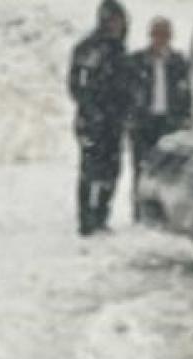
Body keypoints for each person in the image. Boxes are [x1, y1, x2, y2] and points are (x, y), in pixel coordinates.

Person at [68, 0, 133, 236]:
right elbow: (76, 85)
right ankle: (86, 220)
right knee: (90, 170)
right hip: (92, 120)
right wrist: (92, 108)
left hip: (115, 121)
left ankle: (101, 216)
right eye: (113, 20)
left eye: (120, 21)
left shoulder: (121, 51)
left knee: (112, 170)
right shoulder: (87, 49)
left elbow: (128, 87)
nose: (117, 25)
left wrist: (125, 112)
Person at [128, 17, 193, 220]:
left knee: (168, 169)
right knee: (142, 168)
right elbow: (127, 91)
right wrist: (131, 116)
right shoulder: (137, 61)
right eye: (157, 34)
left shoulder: (179, 61)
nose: (161, 38)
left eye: (165, 34)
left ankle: (164, 214)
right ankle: (140, 213)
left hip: (169, 122)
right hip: (143, 122)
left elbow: (186, 93)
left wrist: (185, 117)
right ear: (151, 35)